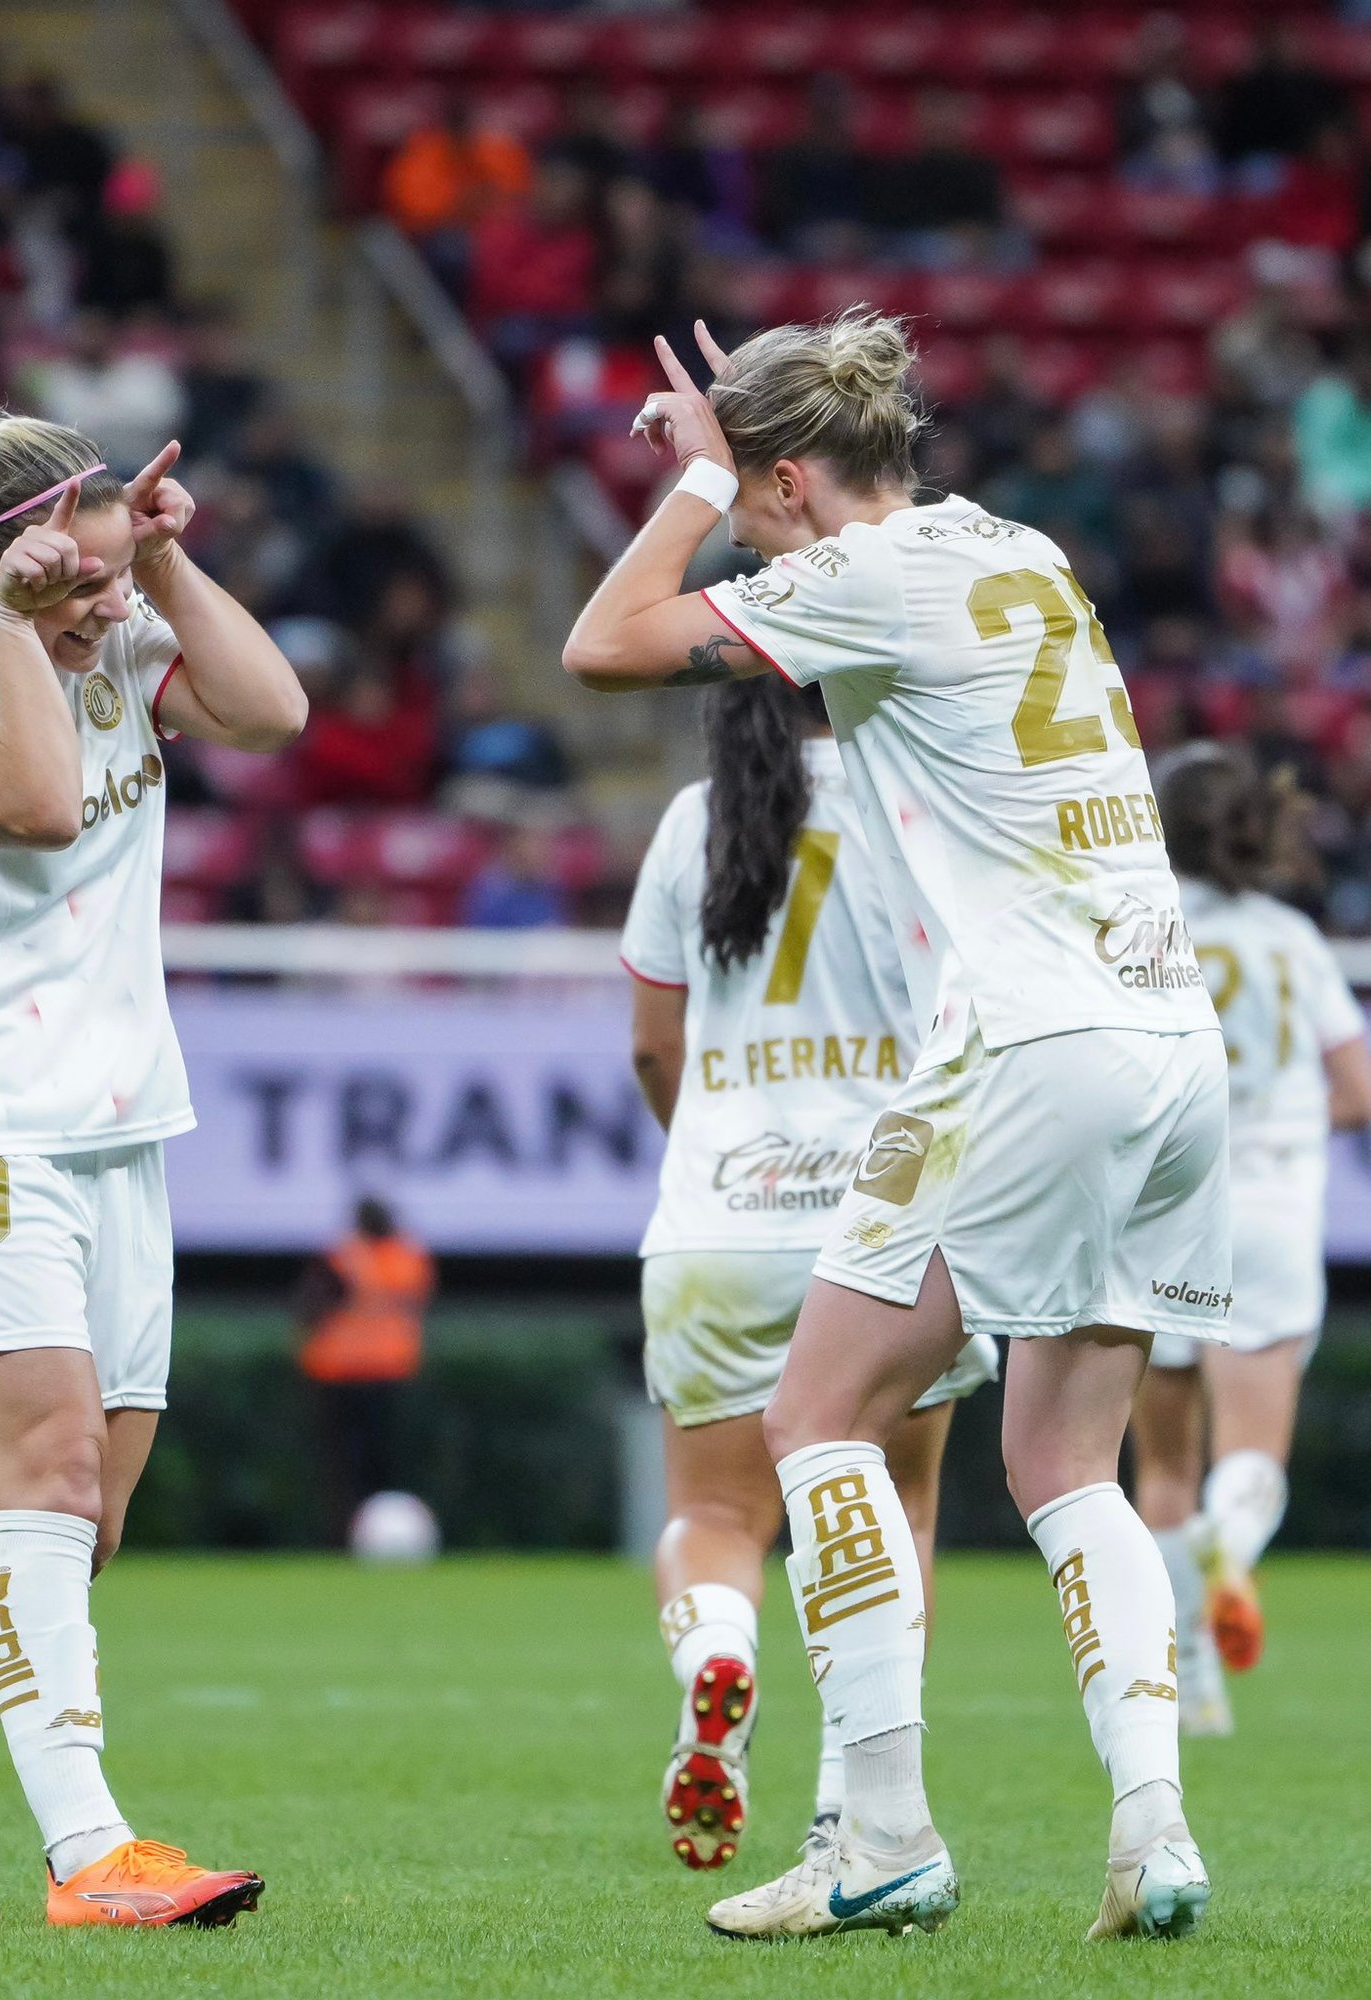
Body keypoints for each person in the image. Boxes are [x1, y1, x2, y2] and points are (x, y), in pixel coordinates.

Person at [563, 310, 1228, 1943]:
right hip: (1167, 1037)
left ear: (790, 479)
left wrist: (693, 479)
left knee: (814, 1421)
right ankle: (1157, 1834)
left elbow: (607, 640)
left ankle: (881, 1832)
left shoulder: (867, 574)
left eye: (753, 492)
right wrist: (737, 441)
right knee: (1072, 1461)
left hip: (1028, 1036)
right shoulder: (1023, 544)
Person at [0, 409, 307, 1925]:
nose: (110, 612)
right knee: (48, 1486)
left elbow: (272, 711)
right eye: (77, 582)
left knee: (75, 1530)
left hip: (118, 1126)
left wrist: (155, 556)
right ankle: (90, 1854)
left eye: (109, 583)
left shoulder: (111, 618)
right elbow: (28, 804)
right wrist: (31, 629)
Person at [621, 672, 996, 1909]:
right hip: (888, 1210)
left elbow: (650, 1044)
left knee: (718, 1513)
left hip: (721, 1211)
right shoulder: (917, 806)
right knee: (899, 1504)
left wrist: (708, 1147)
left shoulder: (694, 816)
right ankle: (854, 1797)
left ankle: (718, 1654)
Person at [1132, 745, 1371, 1735]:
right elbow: (1355, 1093)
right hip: (1268, 1202)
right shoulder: (1289, 938)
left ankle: (1187, 1682)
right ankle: (1234, 1545)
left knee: (1161, 1466)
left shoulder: (1139, 929)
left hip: (1156, 1204)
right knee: (1249, 1453)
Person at [295, 1197, 435, 1546]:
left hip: (340, 1373)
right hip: (389, 1373)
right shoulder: (411, 1258)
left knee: (344, 1468)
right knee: (383, 1465)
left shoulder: (345, 1258)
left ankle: (347, 1538)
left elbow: (308, 1309)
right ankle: (382, 1535)